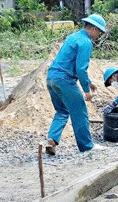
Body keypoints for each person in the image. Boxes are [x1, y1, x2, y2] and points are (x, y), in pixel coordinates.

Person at [45, 14, 107, 155]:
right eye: (99, 31)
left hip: (51, 78)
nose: (99, 35)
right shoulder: (86, 42)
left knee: (62, 110)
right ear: (92, 28)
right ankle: (86, 146)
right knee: (80, 112)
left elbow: (70, 62)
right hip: (65, 80)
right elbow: (80, 68)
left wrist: (88, 82)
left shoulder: (73, 37)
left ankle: (52, 140)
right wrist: (87, 90)